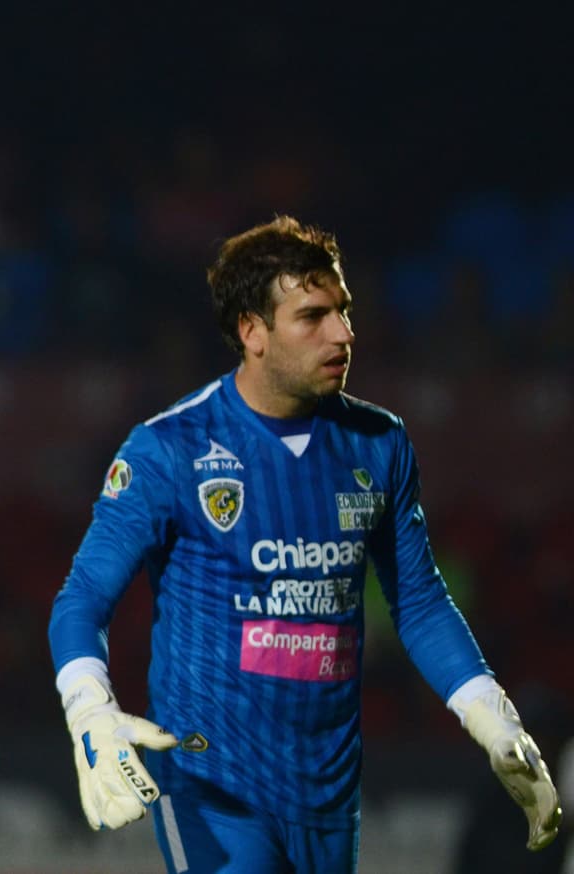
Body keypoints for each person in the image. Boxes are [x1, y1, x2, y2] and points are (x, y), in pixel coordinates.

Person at [47, 216, 561, 872]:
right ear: (252, 331)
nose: (344, 334)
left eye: (344, 312)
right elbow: (83, 598)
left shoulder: (378, 444)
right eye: (313, 316)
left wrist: (496, 722)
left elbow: (421, 602)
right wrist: (90, 711)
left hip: (329, 792)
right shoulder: (168, 449)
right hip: (211, 786)